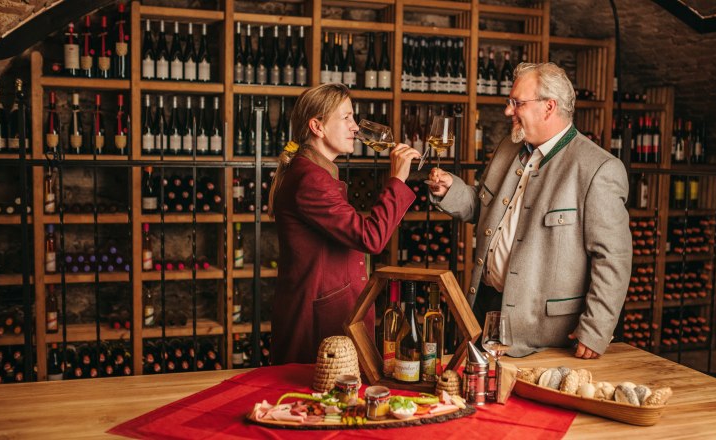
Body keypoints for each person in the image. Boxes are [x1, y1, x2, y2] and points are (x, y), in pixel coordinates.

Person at [428, 62, 631, 359]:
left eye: (517, 103)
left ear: (548, 107)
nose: (509, 111)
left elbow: (614, 257)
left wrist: (596, 328)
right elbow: (485, 210)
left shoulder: (597, 168)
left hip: (545, 334)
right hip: (485, 307)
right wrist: (450, 191)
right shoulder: (509, 148)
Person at [268, 83, 421, 365]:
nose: (355, 127)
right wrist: (397, 180)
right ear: (317, 126)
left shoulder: (315, 172)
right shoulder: (311, 180)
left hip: (332, 317)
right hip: (318, 323)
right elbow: (370, 238)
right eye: (346, 117)